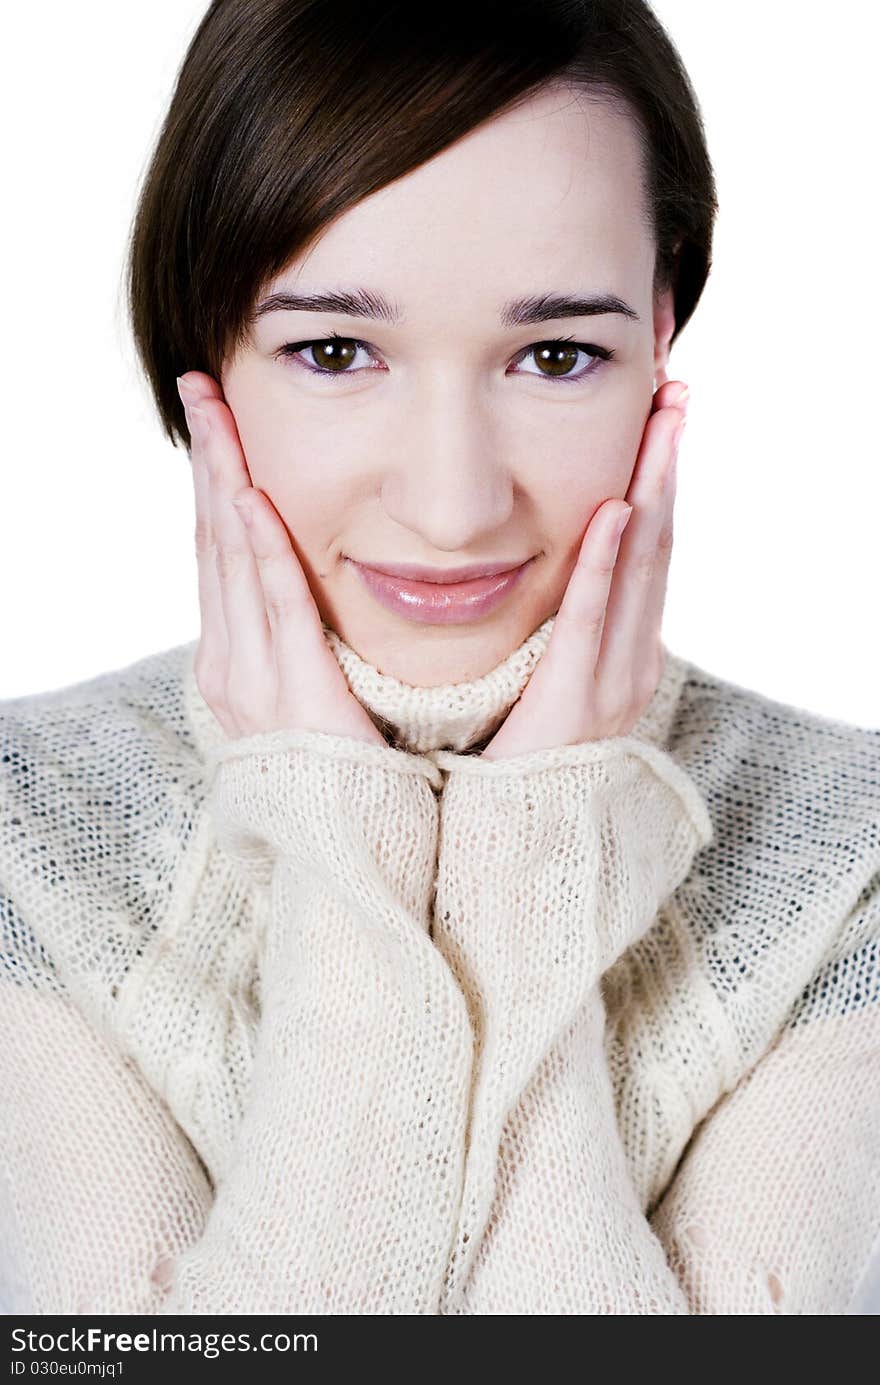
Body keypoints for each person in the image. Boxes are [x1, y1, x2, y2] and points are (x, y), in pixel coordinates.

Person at [1, 0, 878, 1317]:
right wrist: (330, 825)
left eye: (559, 354)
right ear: (205, 355)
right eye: (336, 351)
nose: (457, 502)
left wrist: (538, 834)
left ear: (663, 337)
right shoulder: (25, 823)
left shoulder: (850, 852)